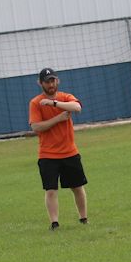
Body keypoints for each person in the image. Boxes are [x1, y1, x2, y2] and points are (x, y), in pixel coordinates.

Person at [28, 67, 88, 230]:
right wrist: (58, 118)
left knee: (77, 187)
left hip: (70, 152)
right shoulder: (36, 103)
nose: (51, 84)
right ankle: (54, 223)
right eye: (47, 82)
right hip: (48, 155)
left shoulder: (65, 97)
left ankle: (83, 218)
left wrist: (54, 103)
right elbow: (36, 127)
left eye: (53, 81)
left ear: (57, 81)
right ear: (40, 83)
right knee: (51, 190)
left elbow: (77, 108)